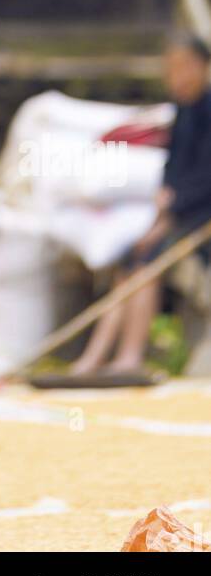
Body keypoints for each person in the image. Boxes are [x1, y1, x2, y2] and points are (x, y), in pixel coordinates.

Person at [72, 34, 211, 377]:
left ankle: (130, 357)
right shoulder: (183, 110)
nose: (176, 76)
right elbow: (173, 166)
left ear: (202, 67)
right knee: (130, 265)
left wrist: (172, 209)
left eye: (183, 67)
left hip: (201, 217)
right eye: (171, 68)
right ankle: (93, 358)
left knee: (147, 267)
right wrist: (164, 203)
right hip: (178, 213)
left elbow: (205, 176)